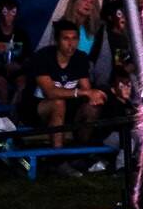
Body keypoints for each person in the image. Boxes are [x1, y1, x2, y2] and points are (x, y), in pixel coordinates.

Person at [25, 18, 106, 148]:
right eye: (66, 39)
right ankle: (58, 155)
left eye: (74, 39)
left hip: (69, 109)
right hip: (38, 109)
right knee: (58, 103)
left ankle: (82, 149)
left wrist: (94, 96)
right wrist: (82, 92)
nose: (71, 43)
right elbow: (50, 92)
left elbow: (87, 89)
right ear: (57, 40)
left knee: (92, 107)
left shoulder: (80, 58)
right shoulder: (43, 57)